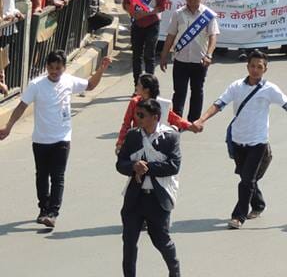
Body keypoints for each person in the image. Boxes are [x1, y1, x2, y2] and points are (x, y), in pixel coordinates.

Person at [193, 50, 287, 228]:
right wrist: (202, 119)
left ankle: (238, 216)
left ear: (265, 69)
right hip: (237, 140)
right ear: (247, 67)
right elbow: (219, 104)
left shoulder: (270, 89)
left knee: (246, 180)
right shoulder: (236, 86)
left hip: (258, 142)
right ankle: (258, 204)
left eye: (259, 67)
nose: (255, 70)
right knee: (246, 176)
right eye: (252, 66)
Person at [0, 50, 112, 227]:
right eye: (51, 68)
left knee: (58, 176)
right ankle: (43, 210)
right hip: (41, 139)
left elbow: (90, 85)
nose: (54, 72)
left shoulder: (69, 81)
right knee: (42, 176)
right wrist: (8, 127)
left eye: (58, 68)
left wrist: (101, 69)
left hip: (62, 138)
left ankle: (52, 213)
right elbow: (21, 106)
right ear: (46, 67)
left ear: (64, 68)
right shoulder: (36, 85)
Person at [115, 97, 182, 277]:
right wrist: (132, 167)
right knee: (129, 242)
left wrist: (145, 168)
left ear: (155, 117)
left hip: (157, 199)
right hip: (135, 198)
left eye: (142, 115)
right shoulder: (133, 136)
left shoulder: (170, 137)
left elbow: (173, 166)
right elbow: (120, 163)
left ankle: (174, 272)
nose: (138, 118)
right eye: (137, 114)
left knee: (161, 240)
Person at [159, 0, 220, 122]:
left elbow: (213, 37)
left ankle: (194, 120)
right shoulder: (178, 14)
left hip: (200, 60)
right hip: (181, 60)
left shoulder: (208, 16)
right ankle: (177, 120)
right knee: (179, 92)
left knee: (197, 91)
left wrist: (209, 55)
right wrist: (164, 55)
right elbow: (171, 36)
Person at [115, 74, 197, 155]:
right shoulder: (134, 102)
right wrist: (120, 143)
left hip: (157, 142)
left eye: (139, 85)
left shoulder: (161, 104)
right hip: (138, 140)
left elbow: (173, 118)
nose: (136, 87)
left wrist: (189, 125)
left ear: (146, 89)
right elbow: (126, 123)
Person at [122, 0, 170, 89]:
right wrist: (133, 12)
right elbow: (125, 3)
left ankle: (149, 88)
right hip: (137, 23)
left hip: (152, 23)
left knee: (149, 55)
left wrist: (147, 12)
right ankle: (137, 87)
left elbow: (162, 6)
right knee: (136, 56)